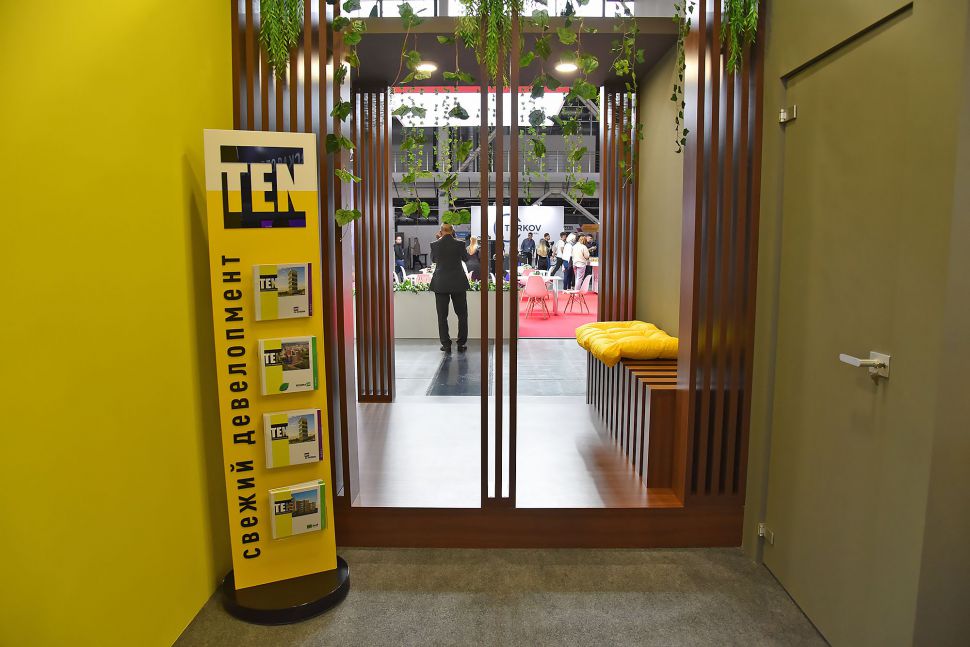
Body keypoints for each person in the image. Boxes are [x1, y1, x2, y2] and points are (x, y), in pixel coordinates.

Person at [430, 223, 470, 353]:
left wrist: (438, 240)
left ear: (441, 231)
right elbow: (466, 258)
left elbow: (434, 260)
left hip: (441, 284)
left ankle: (446, 344)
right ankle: (461, 343)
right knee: (462, 315)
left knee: (442, 316)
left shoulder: (435, 244)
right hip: (458, 283)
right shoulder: (460, 244)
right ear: (453, 231)